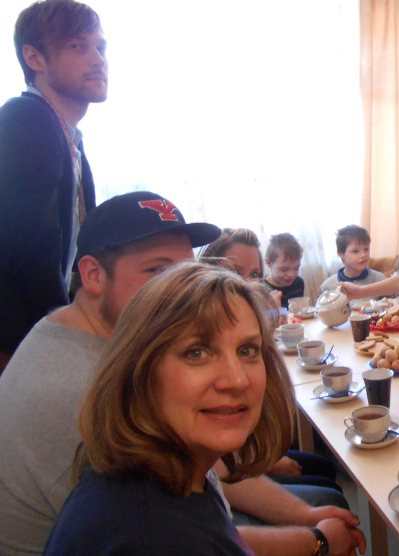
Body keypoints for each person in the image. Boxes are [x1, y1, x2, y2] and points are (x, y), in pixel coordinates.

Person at [44, 263, 365, 556]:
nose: (237, 379)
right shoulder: (155, 539)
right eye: (196, 352)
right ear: (138, 373)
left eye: (247, 350)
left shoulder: (166, 474)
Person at [0, 190, 219, 554]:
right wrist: (315, 539)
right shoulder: (87, 390)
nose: (183, 294)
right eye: (158, 271)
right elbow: (177, 532)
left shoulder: (83, 336)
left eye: (186, 273)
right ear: (93, 275)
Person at [200, 228, 345, 501]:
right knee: (332, 494)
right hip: (228, 470)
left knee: (325, 467)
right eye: (232, 271)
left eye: (253, 275)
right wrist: (265, 463)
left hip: (241, 451)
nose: (243, 283)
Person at [0, 0, 107, 370]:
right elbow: (30, 249)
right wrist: (66, 337)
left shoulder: (68, 136)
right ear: (35, 58)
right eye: (78, 46)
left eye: (100, 46)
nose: (98, 58)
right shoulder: (25, 119)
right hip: (14, 340)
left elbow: (83, 247)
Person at [320, 224, 387, 291]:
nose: (363, 255)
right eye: (355, 251)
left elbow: (394, 300)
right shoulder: (328, 287)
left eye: (366, 249)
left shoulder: (380, 279)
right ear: (341, 253)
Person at [264, 232, 306, 309]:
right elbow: (264, 319)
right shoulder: (261, 289)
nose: (291, 274)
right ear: (269, 262)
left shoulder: (298, 283)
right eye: (284, 269)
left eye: (296, 268)